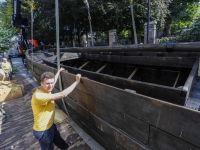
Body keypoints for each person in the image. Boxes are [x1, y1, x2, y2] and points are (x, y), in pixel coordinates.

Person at [31, 68, 81, 150]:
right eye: (47, 83)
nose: (50, 85)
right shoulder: (39, 96)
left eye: (52, 83)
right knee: (48, 148)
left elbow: (52, 82)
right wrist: (77, 82)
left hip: (50, 124)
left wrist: (58, 72)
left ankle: (65, 147)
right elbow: (63, 94)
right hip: (43, 130)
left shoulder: (45, 88)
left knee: (57, 138)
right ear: (42, 83)